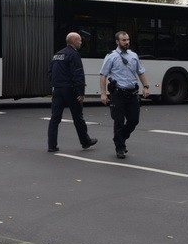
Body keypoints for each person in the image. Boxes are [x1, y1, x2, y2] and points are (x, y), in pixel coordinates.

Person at [99, 31, 150, 159]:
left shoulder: (134, 55)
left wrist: (146, 86)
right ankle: (120, 147)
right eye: (123, 40)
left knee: (134, 121)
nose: (127, 42)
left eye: (128, 40)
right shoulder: (111, 56)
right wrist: (103, 94)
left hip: (132, 94)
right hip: (118, 94)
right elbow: (103, 75)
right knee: (119, 121)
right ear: (117, 42)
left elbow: (141, 72)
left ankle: (119, 138)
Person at [47, 32, 98, 153]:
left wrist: (55, 85)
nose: (81, 42)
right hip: (70, 90)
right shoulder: (74, 54)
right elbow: (78, 73)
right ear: (73, 42)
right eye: (79, 40)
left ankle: (51, 145)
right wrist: (81, 92)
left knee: (55, 118)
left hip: (57, 90)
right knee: (78, 117)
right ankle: (85, 141)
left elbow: (50, 72)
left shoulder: (57, 54)